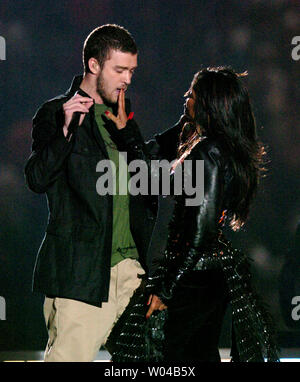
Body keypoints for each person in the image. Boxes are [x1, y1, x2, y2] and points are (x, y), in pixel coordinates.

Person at [105, 66, 280, 362]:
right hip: (201, 272)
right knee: (194, 353)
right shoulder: (199, 137)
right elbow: (148, 165)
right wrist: (126, 131)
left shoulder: (209, 151)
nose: (186, 100)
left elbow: (200, 230)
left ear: (209, 105)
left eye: (192, 96)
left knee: (167, 354)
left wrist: (167, 289)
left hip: (195, 275)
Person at [24, 24, 161, 362]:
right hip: (82, 273)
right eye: (119, 69)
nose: (127, 79)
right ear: (94, 65)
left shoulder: (123, 117)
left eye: (132, 70)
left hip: (131, 272)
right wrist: (67, 133)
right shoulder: (56, 113)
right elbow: (37, 178)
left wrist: (130, 135)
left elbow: (148, 189)